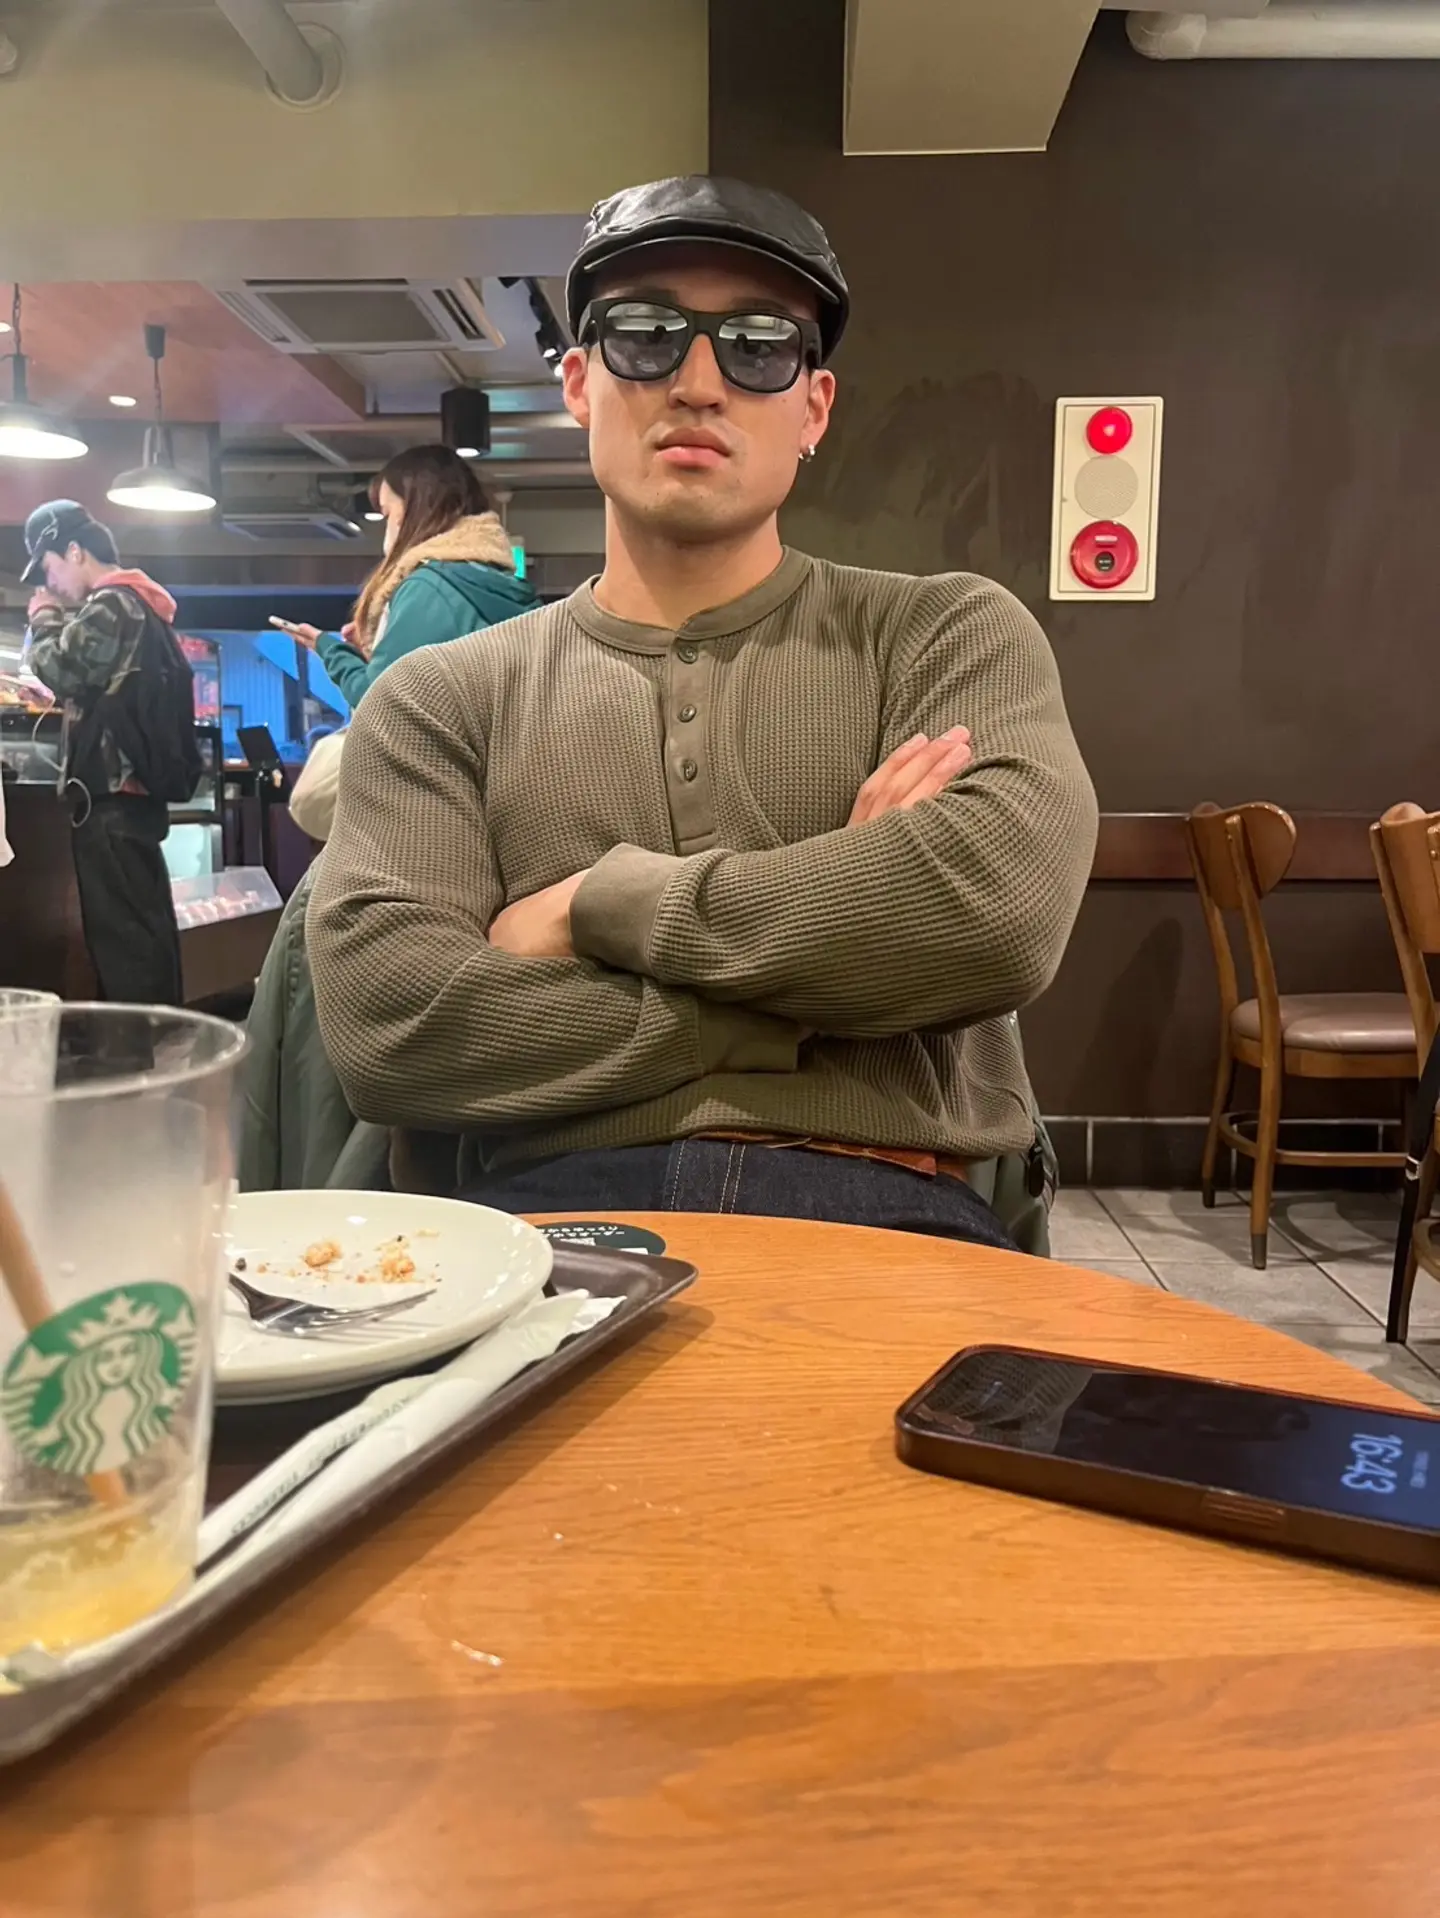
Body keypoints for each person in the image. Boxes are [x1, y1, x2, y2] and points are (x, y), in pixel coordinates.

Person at [308, 175, 1099, 1251]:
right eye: (645, 336)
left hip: (897, 1217)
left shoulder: (944, 634)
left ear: (813, 406)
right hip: (541, 1231)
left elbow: (992, 909)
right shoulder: (440, 697)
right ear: (580, 381)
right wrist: (836, 947)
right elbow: (392, 1027)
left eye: (759, 347)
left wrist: (593, 907)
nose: (696, 383)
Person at [23, 500, 199, 1005]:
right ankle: (162, 1038)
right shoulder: (140, 605)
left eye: (50, 567)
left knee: (126, 945)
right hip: (132, 798)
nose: (50, 582)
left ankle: (142, 1045)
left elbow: (61, 666)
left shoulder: (114, 603)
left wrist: (45, 619)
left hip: (112, 800)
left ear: (75, 551)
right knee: (141, 932)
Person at [286, 445, 536, 711]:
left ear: (412, 509)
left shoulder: (428, 588)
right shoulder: (498, 584)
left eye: (386, 513)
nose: (386, 527)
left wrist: (330, 650)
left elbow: (381, 704)